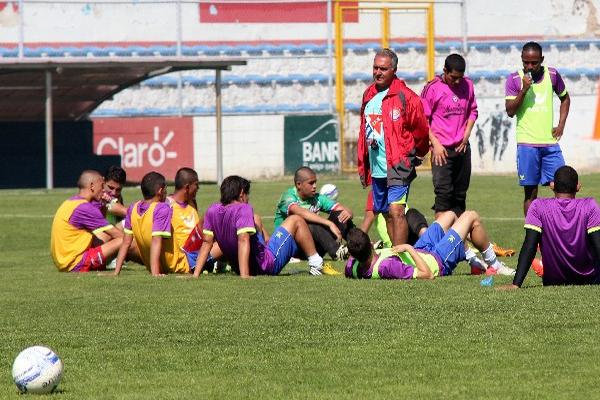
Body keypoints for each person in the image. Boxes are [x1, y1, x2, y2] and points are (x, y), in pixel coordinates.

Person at [194, 175, 337, 278]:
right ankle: (317, 264)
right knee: (296, 220)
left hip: (242, 266)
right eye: (247, 194)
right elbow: (243, 240)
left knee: (256, 219)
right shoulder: (243, 209)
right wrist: (245, 276)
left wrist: (195, 275)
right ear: (242, 193)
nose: (248, 198)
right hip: (265, 266)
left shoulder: (212, 210)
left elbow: (207, 242)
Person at [357, 48, 429, 246]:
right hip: (377, 165)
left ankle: (401, 259)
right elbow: (365, 130)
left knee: (397, 211)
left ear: (394, 70)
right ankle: (395, 253)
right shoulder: (368, 95)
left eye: (383, 69)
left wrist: (416, 153)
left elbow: (421, 130)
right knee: (386, 213)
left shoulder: (407, 97)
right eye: (375, 68)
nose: (378, 72)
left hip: (398, 163)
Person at [501, 166, 600, 289]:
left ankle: (540, 266)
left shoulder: (538, 206)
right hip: (590, 279)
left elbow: (530, 245)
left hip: (553, 281)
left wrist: (516, 284)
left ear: (552, 185)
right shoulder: (590, 205)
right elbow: (598, 245)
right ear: (578, 187)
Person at [345, 210, 515, 280]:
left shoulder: (352, 267)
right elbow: (426, 275)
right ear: (370, 244)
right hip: (437, 260)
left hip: (423, 249)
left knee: (449, 215)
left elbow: (352, 261)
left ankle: (473, 261)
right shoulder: (387, 267)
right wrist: (409, 248)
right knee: (471, 216)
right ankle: (496, 265)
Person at [505, 41, 570, 216]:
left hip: (550, 144)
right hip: (527, 144)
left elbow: (565, 98)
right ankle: (533, 240)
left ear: (542, 59)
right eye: (526, 62)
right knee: (531, 193)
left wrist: (561, 125)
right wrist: (524, 90)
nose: (530, 66)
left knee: (564, 188)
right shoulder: (515, 79)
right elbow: (510, 111)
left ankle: (560, 231)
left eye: (534, 62)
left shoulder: (553, 75)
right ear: (521, 59)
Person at [114, 171, 204, 276]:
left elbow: (125, 243)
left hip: (155, 265)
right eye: (165, 189)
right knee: (214, 238)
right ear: (160, 191)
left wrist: (116, 272)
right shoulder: (162, 208)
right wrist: (156, 273)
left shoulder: (132, 208)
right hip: (183, 264)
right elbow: (156, 241)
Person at [421, 53, 478, 218]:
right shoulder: (432, 88)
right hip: (442, 151)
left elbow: (473, 111)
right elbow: (422, 120)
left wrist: (466, 134)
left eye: (460, 77)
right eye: (453, 77)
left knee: (460, 196)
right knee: (443, 196)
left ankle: (456, 240)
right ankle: (440, 240)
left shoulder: (468, 85)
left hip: (462, 148)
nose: (457, 81)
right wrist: (435, 144)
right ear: (445, 71)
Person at [274, 166, 353, 263]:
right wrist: (329, 223)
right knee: (307, 221)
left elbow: (342, 209)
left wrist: (348, 212)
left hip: (314, 247)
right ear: (299, 184)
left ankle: (359, 245)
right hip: (291, 248)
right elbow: (300, 212)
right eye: (311, 183)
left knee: (340, 215)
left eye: (315, 182)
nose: (315, 186)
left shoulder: (317, 198)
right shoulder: (288, 196)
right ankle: (337, 252)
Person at [50, 170, 123, 272]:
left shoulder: (70, 202)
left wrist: (104, 205)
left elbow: (101, 226)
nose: (103, 190)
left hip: (65, 261)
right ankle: (150, 263)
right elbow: (119, 236)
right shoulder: (85, 208)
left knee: (117, 235)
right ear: (92, 186)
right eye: (102, 186)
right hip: (76, 263)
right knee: (125, 239)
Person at [360, 189, 428, 248]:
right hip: (395, 242)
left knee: (412, 213)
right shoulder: (376, 194)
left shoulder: (398, 189)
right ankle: (428, 241)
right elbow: (365, 227)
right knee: (410, 213)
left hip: (411, 236)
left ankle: (428, 240)